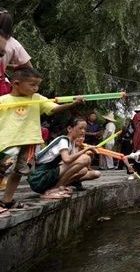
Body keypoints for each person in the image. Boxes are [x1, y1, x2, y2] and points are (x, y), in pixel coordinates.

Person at [0, 67, 83, 214]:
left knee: (19, 173)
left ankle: (6, 201)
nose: (36, 88)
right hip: (8, 143)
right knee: (1, 172)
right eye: (32, 85)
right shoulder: (4, 101)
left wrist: (72, 104)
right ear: (16, 83)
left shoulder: (37, 99)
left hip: (29, 143)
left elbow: (54, 108)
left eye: (37, 85)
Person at [28, 118, 101, 199]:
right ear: (69, 128)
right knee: (85, 158)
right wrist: (86, 150)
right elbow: (67, 160)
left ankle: (56, 187)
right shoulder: (63, 140)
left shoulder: (71, 143)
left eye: (85, 129)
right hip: (39, 178)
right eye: (80, 128)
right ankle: (54, 189)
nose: (83, 131)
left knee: (83, 169)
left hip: (48, 176)